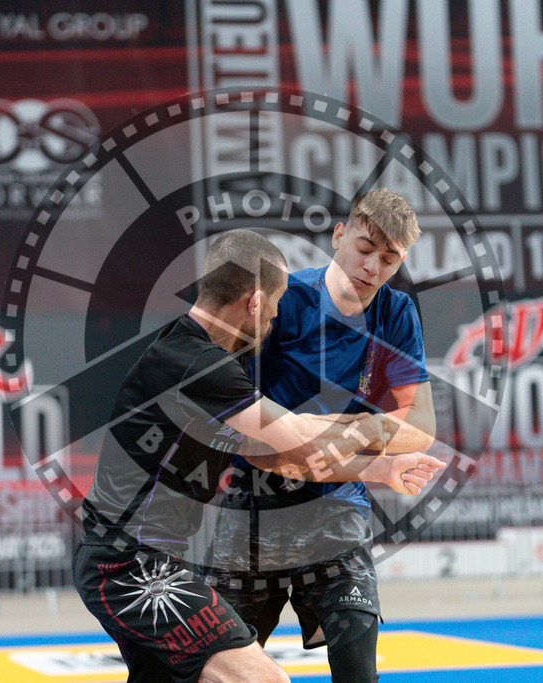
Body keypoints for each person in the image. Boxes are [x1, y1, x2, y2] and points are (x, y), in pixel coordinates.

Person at [73, 228, 445, 682]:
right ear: (254, 302)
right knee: (266, 679)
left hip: (148, 560)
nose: (275, 315)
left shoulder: (201, 358)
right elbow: (299, 436)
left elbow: (266, 450)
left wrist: (379, 466)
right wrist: (376, 426)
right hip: (130, 565)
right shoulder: (199, 364)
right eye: (276, 302)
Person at [206, 189, 436, 682]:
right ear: (338, 235)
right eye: (364, 248)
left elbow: (421, 427)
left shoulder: (396, 314)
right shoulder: (283, 301)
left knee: (358, 662)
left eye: (389, 259)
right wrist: (372, 453)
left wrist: (363, 430)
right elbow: (257, 446)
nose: (372, 267)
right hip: (254, 510)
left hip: (337, 510)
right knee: (218, 668)